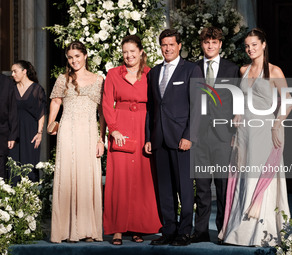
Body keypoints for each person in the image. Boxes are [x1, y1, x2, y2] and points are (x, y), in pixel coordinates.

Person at [218, 28, 292, 247]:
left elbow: (288, 101)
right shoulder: (243, 70)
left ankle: (259, 231)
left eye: (254, 45)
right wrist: (237, 115)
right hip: (244, 131)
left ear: (264, 45)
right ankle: (239, 230)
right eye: (247, 46)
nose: (250, 49)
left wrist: (277, 123)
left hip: (265, 129)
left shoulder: (274, 71)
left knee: (258, 174)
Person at [145, 29, 203, 246]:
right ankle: (168, 229)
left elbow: (198, 107)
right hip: (159, 139)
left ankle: (184, 232)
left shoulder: (191, 70)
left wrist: (189, 135)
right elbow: (151, 108)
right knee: (165, 190)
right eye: (164, 45)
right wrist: (149, 137)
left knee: (185, 189)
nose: (167, 48)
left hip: (182, 140)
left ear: (179, 46)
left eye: (171, 44)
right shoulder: (153, 72)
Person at [102, 35, 161, 245]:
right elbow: (107, 104)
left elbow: (157, 105)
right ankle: (117, 229)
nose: (128, 55)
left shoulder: (151, 74)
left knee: (142, 178)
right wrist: (114, 130)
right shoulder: (112, 74)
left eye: (132, 51)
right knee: (119, 179)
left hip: (144, 128)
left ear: (141, 51)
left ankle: (138, 227)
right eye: (125, 52)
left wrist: (154, 134)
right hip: (122, 127)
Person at [48, 41, 105, 243]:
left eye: (77, 56)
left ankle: (88, 230)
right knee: (67, 177)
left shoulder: (99, 80)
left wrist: (101, 139)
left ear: (85, 56)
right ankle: (65, 230)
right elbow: (56, 101)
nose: (74, 61)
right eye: (70, 57)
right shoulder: (62, 79)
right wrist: (50, 123)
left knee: (87, 178)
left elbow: (103, 112)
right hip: (68, 132)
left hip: (89, 132)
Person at [191, 26, 239, 243]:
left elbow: (239, 101)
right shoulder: (193, 69)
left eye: (214, 42)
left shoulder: (232, 69)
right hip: (199, 136)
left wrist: (234, 132)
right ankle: (200, 231)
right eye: (206, 42)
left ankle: (222, 229)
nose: (210, 46)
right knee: (201, 187)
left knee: (221, 186)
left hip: (223, 135)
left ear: (220, 44)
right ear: (202, 44)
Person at [10, 60, 46, 182]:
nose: (12, 74)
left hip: (31, 132)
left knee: (30, 166)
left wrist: (39, 133)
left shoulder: (37, 89)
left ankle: (31, 198)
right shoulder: (12, 89)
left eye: (15, 71)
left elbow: (41, 113)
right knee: (13, 167)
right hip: (14, 133)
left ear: (24, 71)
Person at [0, 74, 18, 179]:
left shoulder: (7, 82)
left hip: (2, 134)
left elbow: (13, 110)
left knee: (1, 171)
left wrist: (12, 136)